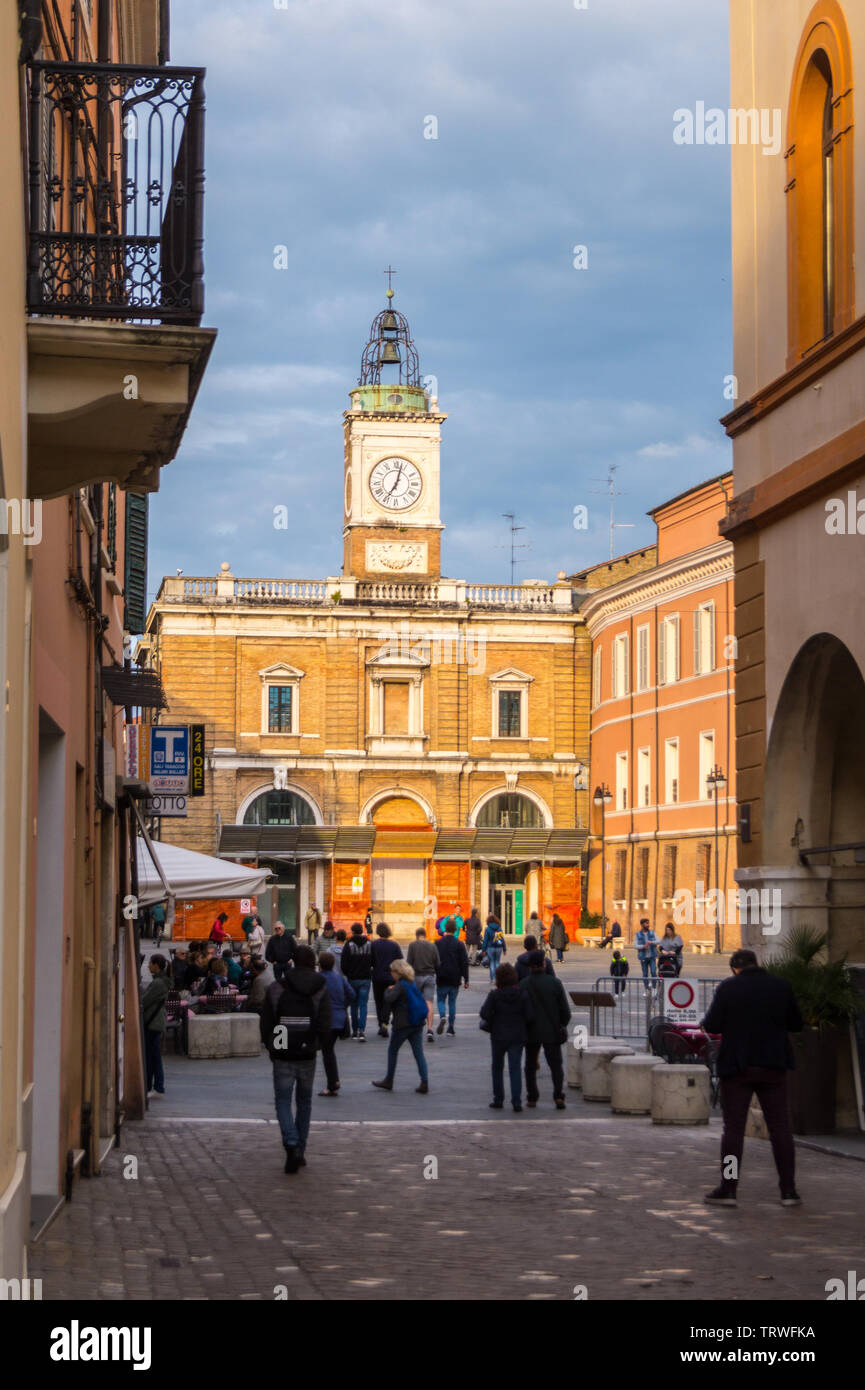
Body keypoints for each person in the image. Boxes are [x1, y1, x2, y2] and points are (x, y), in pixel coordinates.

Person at [702, 948, 804, 1207]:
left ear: (736, 968)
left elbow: (712, 1025)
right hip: (773, 1066)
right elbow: (796, 1023)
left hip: (737, 1067)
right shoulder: (781, 986)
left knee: (733, 1131)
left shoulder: (729, 988)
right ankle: (788, 1190)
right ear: (756, 964)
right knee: (781, 1129)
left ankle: (729, 1187)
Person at [261, 945, 332, 1173]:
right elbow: (325, 1023)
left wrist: (273, 1047)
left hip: (283, 1047)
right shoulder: (320, 988)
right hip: (307, 1049)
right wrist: (317, 1044)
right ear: (313, 962)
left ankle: (290, 1142)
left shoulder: (277, 987)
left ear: (292, 961)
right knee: (304, 1101)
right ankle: (300, 1148)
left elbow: (267, 1022)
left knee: (282, 1100)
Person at [520, 950, 572, 1109]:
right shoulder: (555, 983)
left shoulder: (523, 984)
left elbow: (521, 1010)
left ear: (530, 966)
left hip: (531, 1031)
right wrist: (561, 1024)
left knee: (530, 1065)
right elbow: (565, 1011)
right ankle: (558, 1096)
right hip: (552, 1030)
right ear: (544, 964)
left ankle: (532, 1097)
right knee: (556, 1065)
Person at [480, 961, 533, 1112]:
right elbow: (529, 1016)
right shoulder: (522, 994)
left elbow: (484, 1013)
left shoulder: (495, 995)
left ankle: (498, 1099)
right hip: (517, 1035)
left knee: (497, 1067)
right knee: (515, 1068)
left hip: (498, 1035)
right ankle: (516, 1101)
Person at [371, 960, 429, 1093]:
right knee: (418, 1053)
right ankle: (424, 1081)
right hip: (417, 1023)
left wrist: (387, 990)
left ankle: (389, 1080)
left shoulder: (400, 985)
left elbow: (389, 999)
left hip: (402, 1023)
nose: (391, 974)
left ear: (398, 972)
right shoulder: (412, 983)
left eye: (392, 971)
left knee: (393, 1050)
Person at [317, 951, 356, 1096]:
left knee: (327, 1053)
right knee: (329, 1051)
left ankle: (332, 1084)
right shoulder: (339, 977)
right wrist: (342, 1006)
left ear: (319, 964)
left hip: (326, 1019)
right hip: (340, 1018)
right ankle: (334, 1081)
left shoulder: (319, 978)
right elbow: (351, 994)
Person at [434, 919, 469, 1036]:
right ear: (455, 929)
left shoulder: (437, 943)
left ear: (445, 928)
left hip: (442, 976)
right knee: (452, 1002)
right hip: (455, 977)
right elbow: (464, 963)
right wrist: (466, 979)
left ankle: (443, 1015)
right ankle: (451, 1027)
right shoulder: (459, 944)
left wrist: (435, 972)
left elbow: (434, 961)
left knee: (440, 1000)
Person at [142, 953, 170, 1096]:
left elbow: (145, 1000)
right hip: (156, 1022)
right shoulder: (161, 981)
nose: (148, 966)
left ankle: (156, 1086)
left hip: (153, 1022)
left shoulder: (158, 983)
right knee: (153, 1055)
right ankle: (154, 1086)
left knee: (152, 1056)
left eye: (150, 963)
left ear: (156, 965)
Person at [407, 926, 439, 1043]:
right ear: (425, 935)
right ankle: (430, 1029)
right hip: (429, 976)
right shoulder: (432, 945)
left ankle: (415, 1026)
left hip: (416, 976)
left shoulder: (412, 945)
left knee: (415, 1001)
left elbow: (409, 963)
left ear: (416, 936)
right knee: (429, 1002)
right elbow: (437, 963)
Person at [342, 922, 373, 1040]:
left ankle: (354, 1030)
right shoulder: (369, 944)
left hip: (353, 979)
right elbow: (373, 960)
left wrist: (348, 974)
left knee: (354, 1005)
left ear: (353, 932)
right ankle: (362, 1030)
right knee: (363, 1005)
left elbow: (344, 964)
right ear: (362, 931)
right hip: (365, 978)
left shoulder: (348, 944)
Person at [370, 923, 403, 1038]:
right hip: (390, 977)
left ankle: (381, 1024)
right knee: (388, 1001)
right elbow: (400, 961)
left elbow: (371, 961)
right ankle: (385, 1023)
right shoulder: (394, 945)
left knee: (378, 1001)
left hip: (377, 976)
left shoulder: (373, 945)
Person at [481, 915, 506, 981]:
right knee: (497, 962)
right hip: (499, 947)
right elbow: (502, 939)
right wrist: (504, 949)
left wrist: (483, 950)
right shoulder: (499, 928)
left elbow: (485, 940)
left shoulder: (488, 929)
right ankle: (497, 978)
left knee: (492, 962)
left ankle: (492, 979)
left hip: (490, 947)